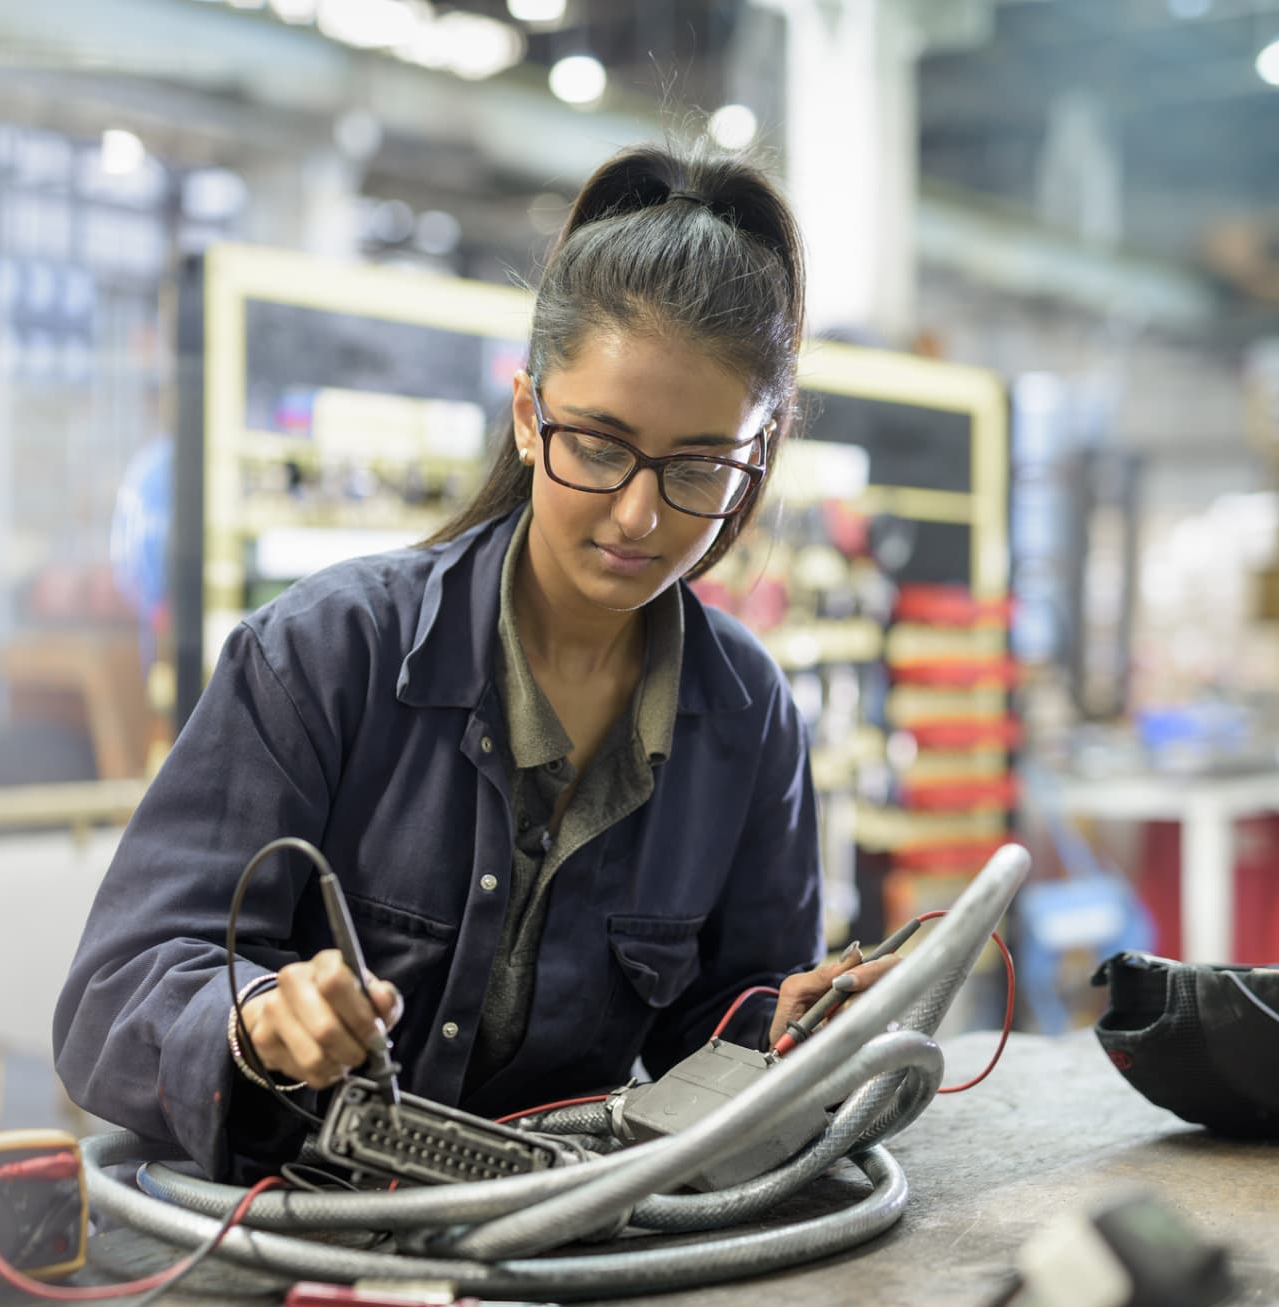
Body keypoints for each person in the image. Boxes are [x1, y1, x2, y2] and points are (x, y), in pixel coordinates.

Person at [53, 143, 897, 1184]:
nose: (639, 515)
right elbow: (113, 992)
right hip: (291, 1236)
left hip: (554, 1240)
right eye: (598, 446)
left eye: (697, 468)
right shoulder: (326, 654)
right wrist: (257, 1017)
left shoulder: (745, 715)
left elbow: (711, 1032)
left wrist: (781, 1030)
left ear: (753, 461)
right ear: (527, 414)